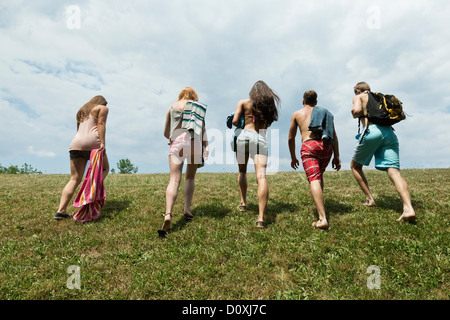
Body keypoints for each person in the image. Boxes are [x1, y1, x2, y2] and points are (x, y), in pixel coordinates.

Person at [351, 81, 415, 222]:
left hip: (372, 131)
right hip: (390, 133)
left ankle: (370, 199)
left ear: (358, 90)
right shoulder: (379, 98)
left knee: (355, 166)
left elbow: (355, 112)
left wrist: (356, 110)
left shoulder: (359, 96)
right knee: (394, 171)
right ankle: (408, 208)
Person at [159, 87, 209, 237]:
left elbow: (166, 133)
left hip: (177, 141)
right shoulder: (197, 107)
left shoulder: (172, 106)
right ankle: (187, 208)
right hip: (195, 142)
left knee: (174, 180)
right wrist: (206, 146)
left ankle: (168, 214)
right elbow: (203, 129)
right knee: (190, 178)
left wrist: (172, 138)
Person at [288, 90, 341, 230]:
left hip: (309, 146)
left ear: (303, 101)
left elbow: (290, 138)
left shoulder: (297, 114)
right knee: (319, 176)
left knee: (314, 179)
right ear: (316, 102)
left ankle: (322, 219)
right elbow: (334, 135)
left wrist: (293, 157)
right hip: (326, 147)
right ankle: (319, 205)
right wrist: (337, 156)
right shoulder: (325, 113)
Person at [231, 80, 280, 228]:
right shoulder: (268, 108)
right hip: (259, 138)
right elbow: (267, 126)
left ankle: (243, 203)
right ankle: (261, 217)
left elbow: (234, 121)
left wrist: (242, 119)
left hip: (243, 135)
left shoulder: (244, 102)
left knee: (242, 171)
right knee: (261, 176)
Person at [54, 95, 110, 220]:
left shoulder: (82, 111)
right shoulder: (102, 108)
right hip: (93, 143)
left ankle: (60, 211)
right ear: (102, 103)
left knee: (74, 179)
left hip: (76, 143)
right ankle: (89, 189)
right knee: (105, 169)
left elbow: (78, 129)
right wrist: (102, 143)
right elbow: (101, 123)